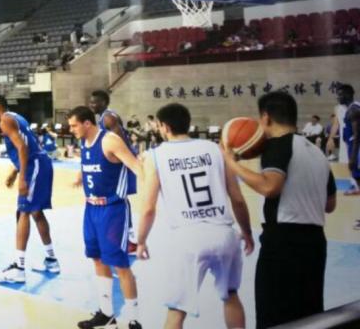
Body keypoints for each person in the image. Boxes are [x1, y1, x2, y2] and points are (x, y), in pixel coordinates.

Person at [223, 91, 337, 328]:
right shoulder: (316, 152)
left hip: (284, 243)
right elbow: (330, 204)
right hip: (315, 243)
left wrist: (232, 163)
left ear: (265, 118)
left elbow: (270, 187)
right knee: (310, 316)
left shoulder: (276, 145)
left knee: (273, 316)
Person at [136, 103, 254, 329]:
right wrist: (246, 232)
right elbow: (237, 199)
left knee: (176, 310)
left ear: (165, 127)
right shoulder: (214, 149)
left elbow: (149, 207)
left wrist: (141, 241)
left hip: (188, 238)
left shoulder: (156, 156)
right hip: (224, 233)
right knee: (231, 296)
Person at [67, 106, 142, 329]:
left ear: (87, 123)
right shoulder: (84, 141)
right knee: (97, 259)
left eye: (74, 125)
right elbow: (88, 162)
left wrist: (158, 190)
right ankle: (107, 314)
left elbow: (137, 166)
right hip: (91, 209)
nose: (71, 129)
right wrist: (81, 176)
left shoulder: (110, 141)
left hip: (113, 209)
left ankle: (134, 318)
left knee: (120, 264)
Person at [0, 95, 60, 283]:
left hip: (34, 166)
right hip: (40, 164)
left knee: (23, 212)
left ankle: (19, 269)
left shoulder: (5, 120)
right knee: (36, 213)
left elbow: (22, 148)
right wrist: (15, 171)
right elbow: (29, 143)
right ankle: (51, 260)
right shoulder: (17, 117)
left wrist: (22, 178)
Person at [88, 90, 138, 253]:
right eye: (91, 102)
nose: (91, 105)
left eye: (95, 102)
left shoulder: (108, 118)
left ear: (103, 102)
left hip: (122, 161)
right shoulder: (103, 118)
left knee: (120, 198)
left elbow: (119, 142)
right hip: (117, 161)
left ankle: (130, 238)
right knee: (117, 197)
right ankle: (123, 235)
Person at [333, 84, 360, 196]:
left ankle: (356, 187)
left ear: (348, 94)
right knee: (355, 172)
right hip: (352, 144)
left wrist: (353, 157)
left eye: (340, 95)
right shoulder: (351, 108)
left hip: (356, 146)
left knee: (355, 169)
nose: (338, 97)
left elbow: (357, 135)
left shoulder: (353, 110)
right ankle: (356, 187)